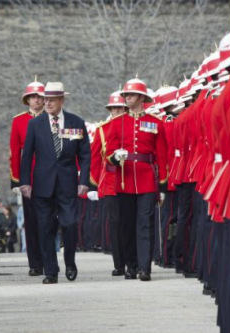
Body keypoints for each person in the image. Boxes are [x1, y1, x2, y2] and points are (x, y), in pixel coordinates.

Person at [20, 82, 90, 284]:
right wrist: (25, 181)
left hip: (68, 182)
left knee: (69, 223)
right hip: (42, 183)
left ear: (61, 100)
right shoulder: (35, 124)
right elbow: (27, 156)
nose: (47, 103)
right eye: (45, 99)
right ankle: (51, 271)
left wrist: (84, 180)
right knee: (45, 227)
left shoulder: (76, 122)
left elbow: (85, 155)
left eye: (51, 99)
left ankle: (70, 262)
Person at [105, 78, 167, 281]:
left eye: (130, 95)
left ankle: (144, 267)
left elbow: (161, 156)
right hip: (125, 179)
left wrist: (163, 184)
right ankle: (130, 265)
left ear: (141, 97)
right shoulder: (116, 123)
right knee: (127, 225)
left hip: (147, 179)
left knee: (145, 224)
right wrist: (115, 157)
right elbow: (109, 154)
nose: (127, 98)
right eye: (125, 95)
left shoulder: (155, 123)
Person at [88, 91, 128, 276]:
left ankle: (132, 260)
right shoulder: (102, 129)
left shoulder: (131, 126)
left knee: (129, 221)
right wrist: (94, 185)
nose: (117, 111)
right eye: (114, 108)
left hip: (130, 178)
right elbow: (95, 158)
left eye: (120, 108)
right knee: (115, 222)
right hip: (111, 180)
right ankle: (119, 263)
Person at [10, 80, 45, 275]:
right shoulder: (19, 121)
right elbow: (15, 151)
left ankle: (48, 258)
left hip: (49, 175)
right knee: (31, 222)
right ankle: (35, 263)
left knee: (48, 220)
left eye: (40, 97)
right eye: (33, 97)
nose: (37, 100)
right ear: (27, 100)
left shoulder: (52, 118)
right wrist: (16, 180)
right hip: (29, 177)